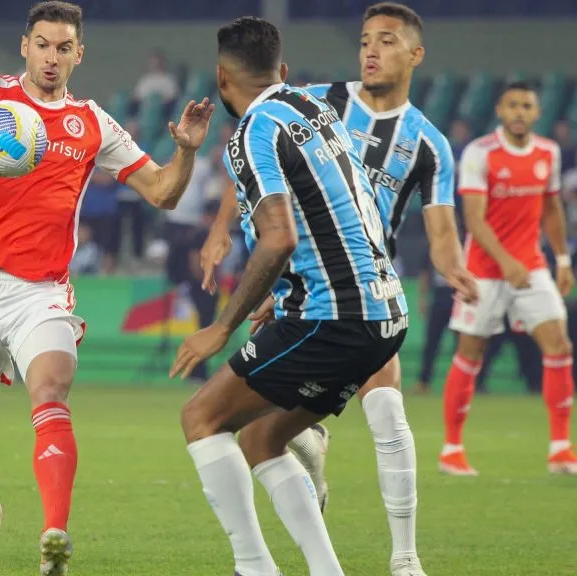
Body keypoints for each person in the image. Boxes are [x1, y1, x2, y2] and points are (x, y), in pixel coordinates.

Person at [0, 2, 212, 573]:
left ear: (79, 54)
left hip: (42, 292)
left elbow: (163, 192)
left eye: (63, 47)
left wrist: (187, 151)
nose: (51, 57)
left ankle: (53, 537)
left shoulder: (92, 121)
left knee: (50, 391)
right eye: (42, 44)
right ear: (25, 45)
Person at [198, 5, 477, 575]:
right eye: (364, 40)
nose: (371, 51)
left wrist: (455, 268)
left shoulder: (428, 143)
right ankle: (321, 497)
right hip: (330, 287)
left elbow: (442, 230)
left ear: (415, 55)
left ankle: (404, 558)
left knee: (384, 412)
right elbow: (255, 169)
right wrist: (221, 227)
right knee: (266, 434)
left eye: (387, 41)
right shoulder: (315, 101)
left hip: (359, 286)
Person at [171, 16, 408, 576]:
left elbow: (280, 236)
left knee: (201, 418)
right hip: (385, 312)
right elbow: (351, 203)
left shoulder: (253, 132)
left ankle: (254, 567)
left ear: (221, 79)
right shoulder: (314, 110)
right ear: (281, 71)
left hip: (333, 316)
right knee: (260, 438)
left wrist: (220, 328)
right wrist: (287, 290)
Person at [441, 81, 577, 476]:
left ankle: (560, 448)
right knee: (470, 354)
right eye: (513, 105)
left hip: (531, 267)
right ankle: (451, 449)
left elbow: (550, 209)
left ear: (537, 112)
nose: (520, 112)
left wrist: (563, 260)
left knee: (559, 346)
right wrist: (506, 262)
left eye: (528, 106)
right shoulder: (480, 153)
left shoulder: (547, 152)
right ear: (500, 110)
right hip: (482, 272)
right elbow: (474, 219)